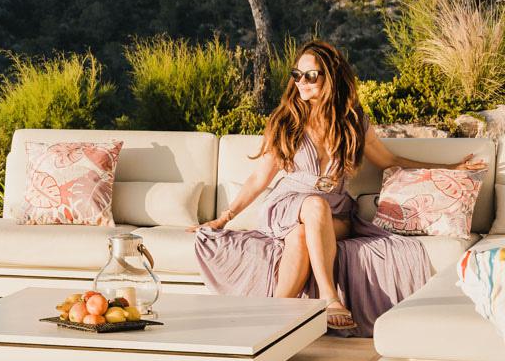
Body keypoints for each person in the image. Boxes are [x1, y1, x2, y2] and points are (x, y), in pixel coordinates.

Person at [195, 39, 482, 333]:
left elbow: (389, 160)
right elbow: (259, 179)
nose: (301, 82)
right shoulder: (284, 121)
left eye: (311, 75)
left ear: (330, 77)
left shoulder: (353, 121)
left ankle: (273, 322)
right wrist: (224, 217)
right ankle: (330, 298)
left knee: (304, 232)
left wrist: (449, 169)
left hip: (336, 210)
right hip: (287, 205)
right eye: (297, 75)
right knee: (312, 206)